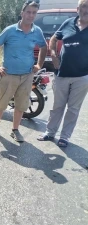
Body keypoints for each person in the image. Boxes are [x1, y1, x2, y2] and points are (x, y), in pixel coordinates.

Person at [0, 0, 47, 142]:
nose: (31, 15)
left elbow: (43, 47)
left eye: (34, 13)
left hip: (27, 75)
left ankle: (15, 130)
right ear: (22, 13)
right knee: (2, 104)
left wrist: (38, 64)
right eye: (28, 12)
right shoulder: (10, 30)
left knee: (21, 105)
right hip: (9, 75)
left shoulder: (37, 31)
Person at [37, 0, 88, 147]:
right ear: (78, 9)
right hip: (62, 72)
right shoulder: (68, 23)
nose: (86, 10)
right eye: (84, 7)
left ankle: (65, 137)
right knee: (57, 106)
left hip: (82, 76)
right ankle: (50, 132)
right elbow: (54, 38)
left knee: (73, 108)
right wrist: (53, 53)